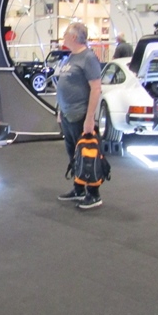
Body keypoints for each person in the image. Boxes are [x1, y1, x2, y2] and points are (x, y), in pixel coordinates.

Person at [55, 21, 103, 211]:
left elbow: (96, 88)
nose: (63, 37)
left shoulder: (88, 58)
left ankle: (94, 194)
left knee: (87, 155)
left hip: (80, 115)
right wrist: (60, 111)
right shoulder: (71, 57)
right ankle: (79, 188)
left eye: (65, 34)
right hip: (67, 115)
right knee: (74, 155)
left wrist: (90, 118)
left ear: (74, 37)